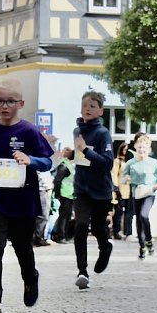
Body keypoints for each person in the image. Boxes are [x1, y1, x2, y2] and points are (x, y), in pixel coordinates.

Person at [0, 78, 54, 313]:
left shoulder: (28, 131)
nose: (4, 106)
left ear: (20, 103)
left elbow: (47, 161)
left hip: (23, 200)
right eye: (0, 101)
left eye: (10, 101)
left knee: (22, 247)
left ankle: (31, 279)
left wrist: (30, 160)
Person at [71, 91, 114, 290]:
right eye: (84, 105)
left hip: (100, 190)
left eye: (92, 106)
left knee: (98, 228)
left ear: (100, 111)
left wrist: (85, 150)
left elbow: (107, 163)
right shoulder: (77, 131)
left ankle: (105, 248)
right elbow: (81, 160)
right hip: (81, 189)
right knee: (80, 226)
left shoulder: (102, 133)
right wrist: (72, 154)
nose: (87, 109)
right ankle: (82, 271)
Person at [120, 134, 157, 259]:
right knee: (138, 219)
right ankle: (142, 246)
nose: (142, 150)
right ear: (135, 147)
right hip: (136, 193)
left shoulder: (154, 163)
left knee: (144, 215)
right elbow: (123, 177)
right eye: (139, 148)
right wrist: (126, 179)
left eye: (144, 148)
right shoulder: (130, 163)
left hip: (149, 192)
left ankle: (149, 240)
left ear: (149, 149)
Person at [51, 147, 75, 243]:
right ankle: (60, 236)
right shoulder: (64, 166)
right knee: (63, 216)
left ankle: (65, 235)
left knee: (67, 216)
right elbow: (57, 180)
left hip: (69, 194)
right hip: (64, 194)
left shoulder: (69, 165)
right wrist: (57, 194)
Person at [111, 141, 134, 240]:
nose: (125, 151)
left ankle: (128, 232)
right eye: (124, 149)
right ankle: (117, 231)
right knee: (118, 212)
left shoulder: (132, 162)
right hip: (121, 190)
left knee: (129, 213)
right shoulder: (117, 161)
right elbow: (114, 175)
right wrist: (116, 188)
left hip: (131, 190)